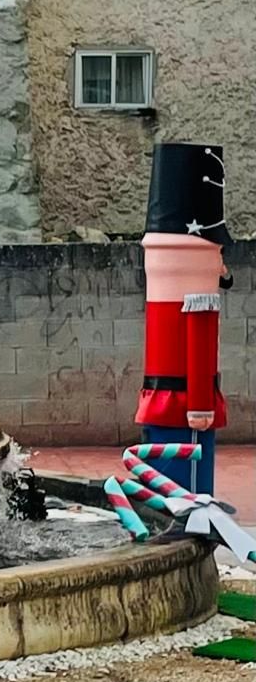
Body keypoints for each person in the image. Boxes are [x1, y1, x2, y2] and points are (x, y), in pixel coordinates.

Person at [136, 142, 230, 496]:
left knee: (175, 493)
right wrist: (200, 406)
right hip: (181, 406)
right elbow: (201, 327)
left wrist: (198, 406)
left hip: (171, 404)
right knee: (183, 495)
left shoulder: (189, 284)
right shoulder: (199, 293)